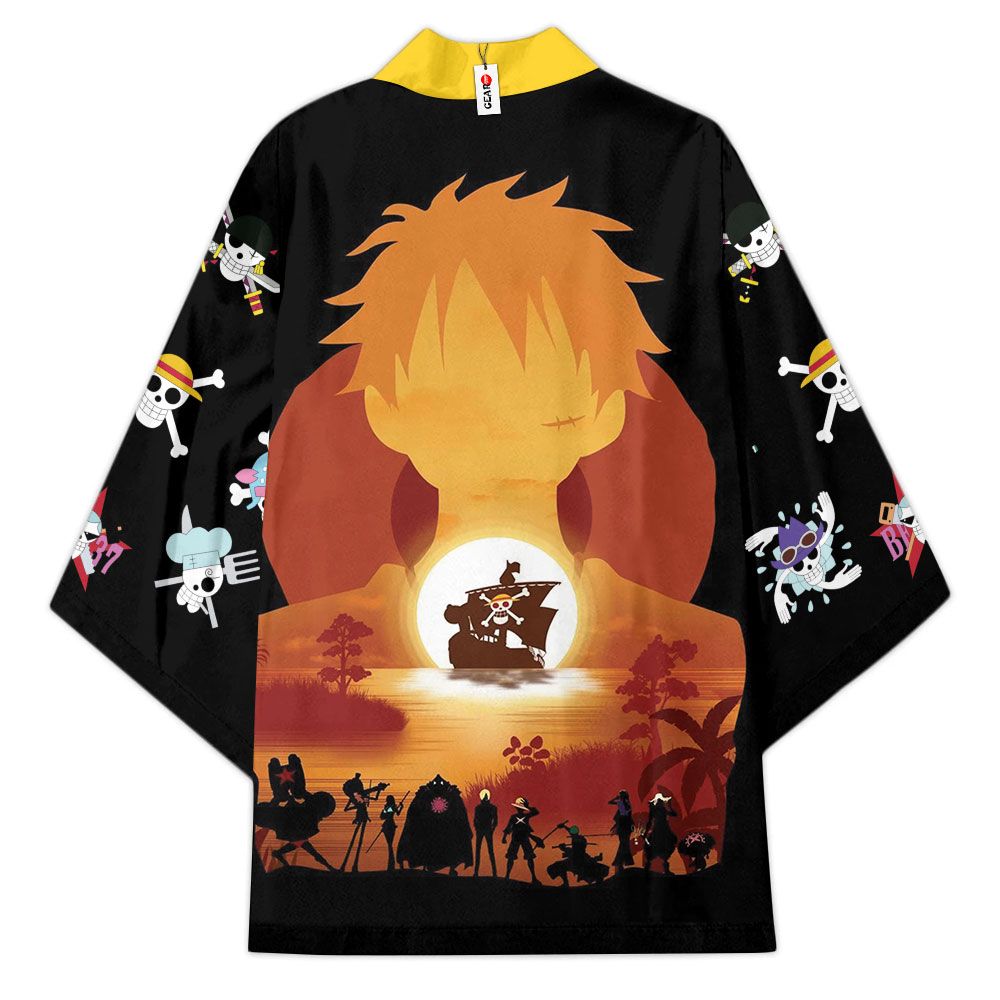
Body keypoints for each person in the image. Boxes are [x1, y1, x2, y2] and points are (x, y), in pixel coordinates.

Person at [502, 796, 542, 884]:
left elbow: (536, 812)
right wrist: (504, 837)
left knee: (529, 857)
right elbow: (508, 827)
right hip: (517, 838)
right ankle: (507, 876)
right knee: (512, 857)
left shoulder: (525, 816)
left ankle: (533, 877)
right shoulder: (515, 817)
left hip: (524, 837)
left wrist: (527, 806)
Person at [643, 792, 679, 873]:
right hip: (660, 829)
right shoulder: (660, 809)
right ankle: (650, 867)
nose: (659, 802)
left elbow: (674, 814)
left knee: (666, 844)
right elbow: (650, 821)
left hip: (662, 829)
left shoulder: (659, 809)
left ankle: (651, 867)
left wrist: (646, 832)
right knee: (664, 844)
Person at [473, 789, 499, 877]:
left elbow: (475, 819)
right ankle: (493, 872)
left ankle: (491, 872)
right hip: (484, 830)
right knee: (487, 851)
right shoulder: (492, 808)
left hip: (484, 830)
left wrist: (491, 830)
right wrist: (492, 829)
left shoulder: (479, 808)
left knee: (481, 851)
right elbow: (495, 821)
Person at [609, 789, 634, 873]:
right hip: (627, 828)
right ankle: (623, 861)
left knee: (623, 844)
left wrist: (616, 798)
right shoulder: (627, 803)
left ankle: (620, 862)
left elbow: (622, 817)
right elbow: (624, 817)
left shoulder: (622, 804)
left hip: (623, 828)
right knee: (624, 844)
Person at [378, 794, 404, 871]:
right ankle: (391, 863)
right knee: (389, 844)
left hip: (389, 825)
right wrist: (400, 807)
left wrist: (401, 807)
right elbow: (382, 816)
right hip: (389, 825)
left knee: (389, 844)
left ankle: (391, 863)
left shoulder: (389, 807)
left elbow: (384, 815)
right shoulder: (390, 807)